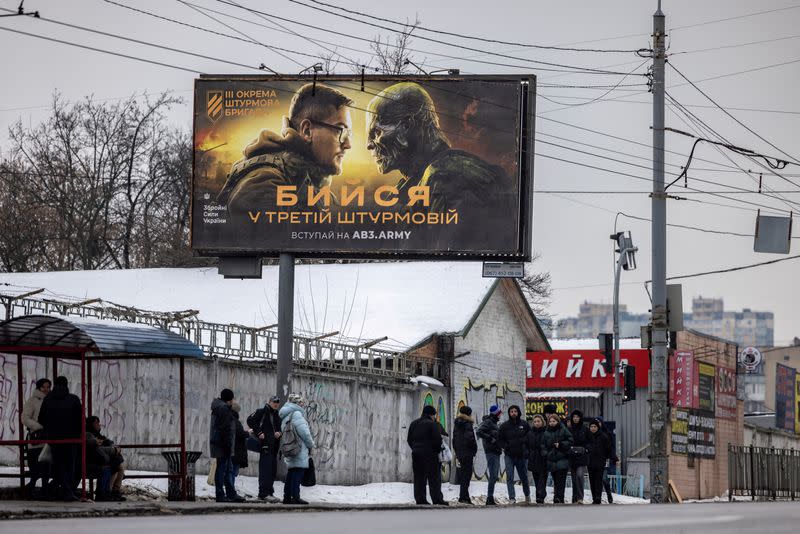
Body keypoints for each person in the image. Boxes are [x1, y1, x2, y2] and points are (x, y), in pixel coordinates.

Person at [365, 82, 515, 249]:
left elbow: (445, 260)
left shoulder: (445, 178)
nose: (369, 145)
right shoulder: (423, 182)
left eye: (376, 132)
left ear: (407, 126)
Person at [218, 83, 353, 216]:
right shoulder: (267, 184)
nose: (348, 144)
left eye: (349, 133)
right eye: (340, 131)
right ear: (307, 131)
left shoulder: (311, 185)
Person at [38, 376, 82, 502]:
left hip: (54, 439)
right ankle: (68, 491)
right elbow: (80, 420)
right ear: (66, 384)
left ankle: (62, 491)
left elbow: (41, 418)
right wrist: (76, 432)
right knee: (70, 465)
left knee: (59, 465)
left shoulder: (48, 399)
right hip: (71, 439)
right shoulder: (73, 399)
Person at [279, 393, 315, 505]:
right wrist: (311, 444)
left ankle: (287, 497)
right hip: (298, 447)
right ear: (297, 403)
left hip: (289, 446)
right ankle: (295, 496)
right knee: (298, 471)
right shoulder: (297, 414)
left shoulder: (285, 414)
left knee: (291, 472)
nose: (303, 405)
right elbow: (304, 432)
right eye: (301, 402)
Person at [407, 404, 446, 506]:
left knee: (419, 478)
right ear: (430, 415)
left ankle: (420, 499)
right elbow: (438, 440)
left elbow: (409, 439)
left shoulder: (414, 424)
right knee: (434, 478)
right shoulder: (432, 424)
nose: (434, 417)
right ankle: (437, 499)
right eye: (434, 415)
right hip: (430, 455)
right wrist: (437, 450)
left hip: (416, 455)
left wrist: (415, 449)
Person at [209, 388, 244, 503]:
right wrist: (228, 445)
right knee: (222, 470)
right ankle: (221, 495)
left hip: (220, 443)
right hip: (222, 445)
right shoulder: (223, 409)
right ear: (229, 399)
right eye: (232, 399)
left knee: (227, 469)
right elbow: (225, 429)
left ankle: (230, 493)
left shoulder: (219, 407)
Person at [247, 395, 282, 502]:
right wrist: (259, 432)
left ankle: (270, 492)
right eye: (274, 402)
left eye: (277, 402)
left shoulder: (277, 415)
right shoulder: (262, 411)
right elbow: (250, 420)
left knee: (272, 471)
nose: (276, 404)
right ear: (269, 402)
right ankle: (263, 493)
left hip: (274, 447)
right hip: (265, 445)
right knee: (265, 470)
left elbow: (279, 429)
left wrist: (279, 433)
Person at [22, 377, 51, 496]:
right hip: (36, 439)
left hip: (47, 439)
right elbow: (24, 418)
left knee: (46, 467)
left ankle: (44, 490)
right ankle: (31, 489)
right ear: (38, 387)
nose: (46, 389)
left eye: (48, 387)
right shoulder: (33, 401)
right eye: (44, 387)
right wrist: (38, 427)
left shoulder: (50, 400)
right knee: (36, 468)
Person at [85, 415, 125, 501]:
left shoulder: (98, 435)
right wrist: (112, 450)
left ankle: (114, 491)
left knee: (118, 466)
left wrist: (108, 445)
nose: (98, 425)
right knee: (113, 467)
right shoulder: (88, 435)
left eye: (98, 423)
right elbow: (97, 449)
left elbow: (107, 442)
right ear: (90, 424)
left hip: (101, 459)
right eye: (96, 423)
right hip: (94, 461)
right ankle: (108, 492)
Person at [498, 405, 531, 504]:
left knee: (524, 477)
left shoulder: (524, 424)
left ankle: (527, 496)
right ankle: (512, 498)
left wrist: (526, 448)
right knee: (510, 477)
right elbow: (500, 439)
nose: (513, 413)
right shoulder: (504, 426)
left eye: (515, 411)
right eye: (511, 411)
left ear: (518, 412)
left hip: (521, 455)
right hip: (509, 455)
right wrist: (505, 446)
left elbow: (530, 437)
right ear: (509, 413)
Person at [541, 414, 573, 504]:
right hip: (551, 460)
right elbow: (543, 445)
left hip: (562, 459)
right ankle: (557, 497)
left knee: (561, 480)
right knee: (555, 480)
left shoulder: (563, 429)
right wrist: (546, 454)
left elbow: (570, 440)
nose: (551, 423)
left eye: (553, 421)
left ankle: (559, 497)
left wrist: (561, 444)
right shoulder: (546, 432)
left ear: (557, 421)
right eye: (550, 421)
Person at [475, 405, 502, 506]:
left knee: (494, 476)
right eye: (499, 413)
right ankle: (489, 498)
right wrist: (490, 439)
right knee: (493, 475)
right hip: (491, 451)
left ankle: (490, 497)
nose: (500, 415)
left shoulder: (493, 422)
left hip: (496, 451)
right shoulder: (489, 422)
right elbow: (479, 431)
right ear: (495, 413)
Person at [452, 405, 478, 504]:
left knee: (463, 475)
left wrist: (457, 451)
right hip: (467, 453)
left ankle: (464, 496)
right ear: (468, 414)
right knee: (466, 476)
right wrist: (474, 449)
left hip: (460, 453)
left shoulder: (457, 423)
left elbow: (454, 440)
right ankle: (464, 497)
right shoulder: (467, 424)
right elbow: (470, 438)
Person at [586, 419, 613, 505]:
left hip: (600, 462)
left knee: (599, 480)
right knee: (592, 480)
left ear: (598, 427)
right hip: (590, 462)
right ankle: (594, 497)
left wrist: (614, 458)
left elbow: (609, 449)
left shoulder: (603, 436)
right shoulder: (587, 437)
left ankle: (598, 497)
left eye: (595, 426)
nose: (593, 428)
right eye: (591, 426)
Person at [568, 409, 590, 504]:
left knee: (580, 475)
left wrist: (585, 449)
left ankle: (580, 498)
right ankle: (574, 498)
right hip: (572, 457)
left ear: (580, 418)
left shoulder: (585, 429)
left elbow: (590, 441)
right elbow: (566, 441)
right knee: (573, 478)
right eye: (574, 417)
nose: (575, 419)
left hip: (581, 456)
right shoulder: (569, 429)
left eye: (577, 417)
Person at [596, 416, 619, 503]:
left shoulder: (607, 434)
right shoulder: (592, 434)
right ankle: (597, 497)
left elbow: (611, 448)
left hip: (605, 459)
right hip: (595, 459)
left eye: (599, 422)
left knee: (604, 478)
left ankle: (609, 495)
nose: (597, 424)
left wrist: (615, 458)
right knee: (597, 479)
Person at [526, 414, 548, 504]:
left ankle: (541, 495)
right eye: (535, 422)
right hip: (533, 458)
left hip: (543, 459)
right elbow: (526, 445)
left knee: (542, 478)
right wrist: (528, 453)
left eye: (538, 421)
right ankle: (539, 496)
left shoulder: (546, 432)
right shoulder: (530, 433)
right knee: (536, 479)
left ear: (542, 422)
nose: (537, 423)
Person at [230, 402, 249, 495]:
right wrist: (248, 433)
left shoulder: (229, 419)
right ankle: (231, 491)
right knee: (233, 472)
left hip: (232, 450)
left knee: (232, 471)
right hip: (236, 451)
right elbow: (240, 434)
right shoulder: (235, 421)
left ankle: (230, 490)